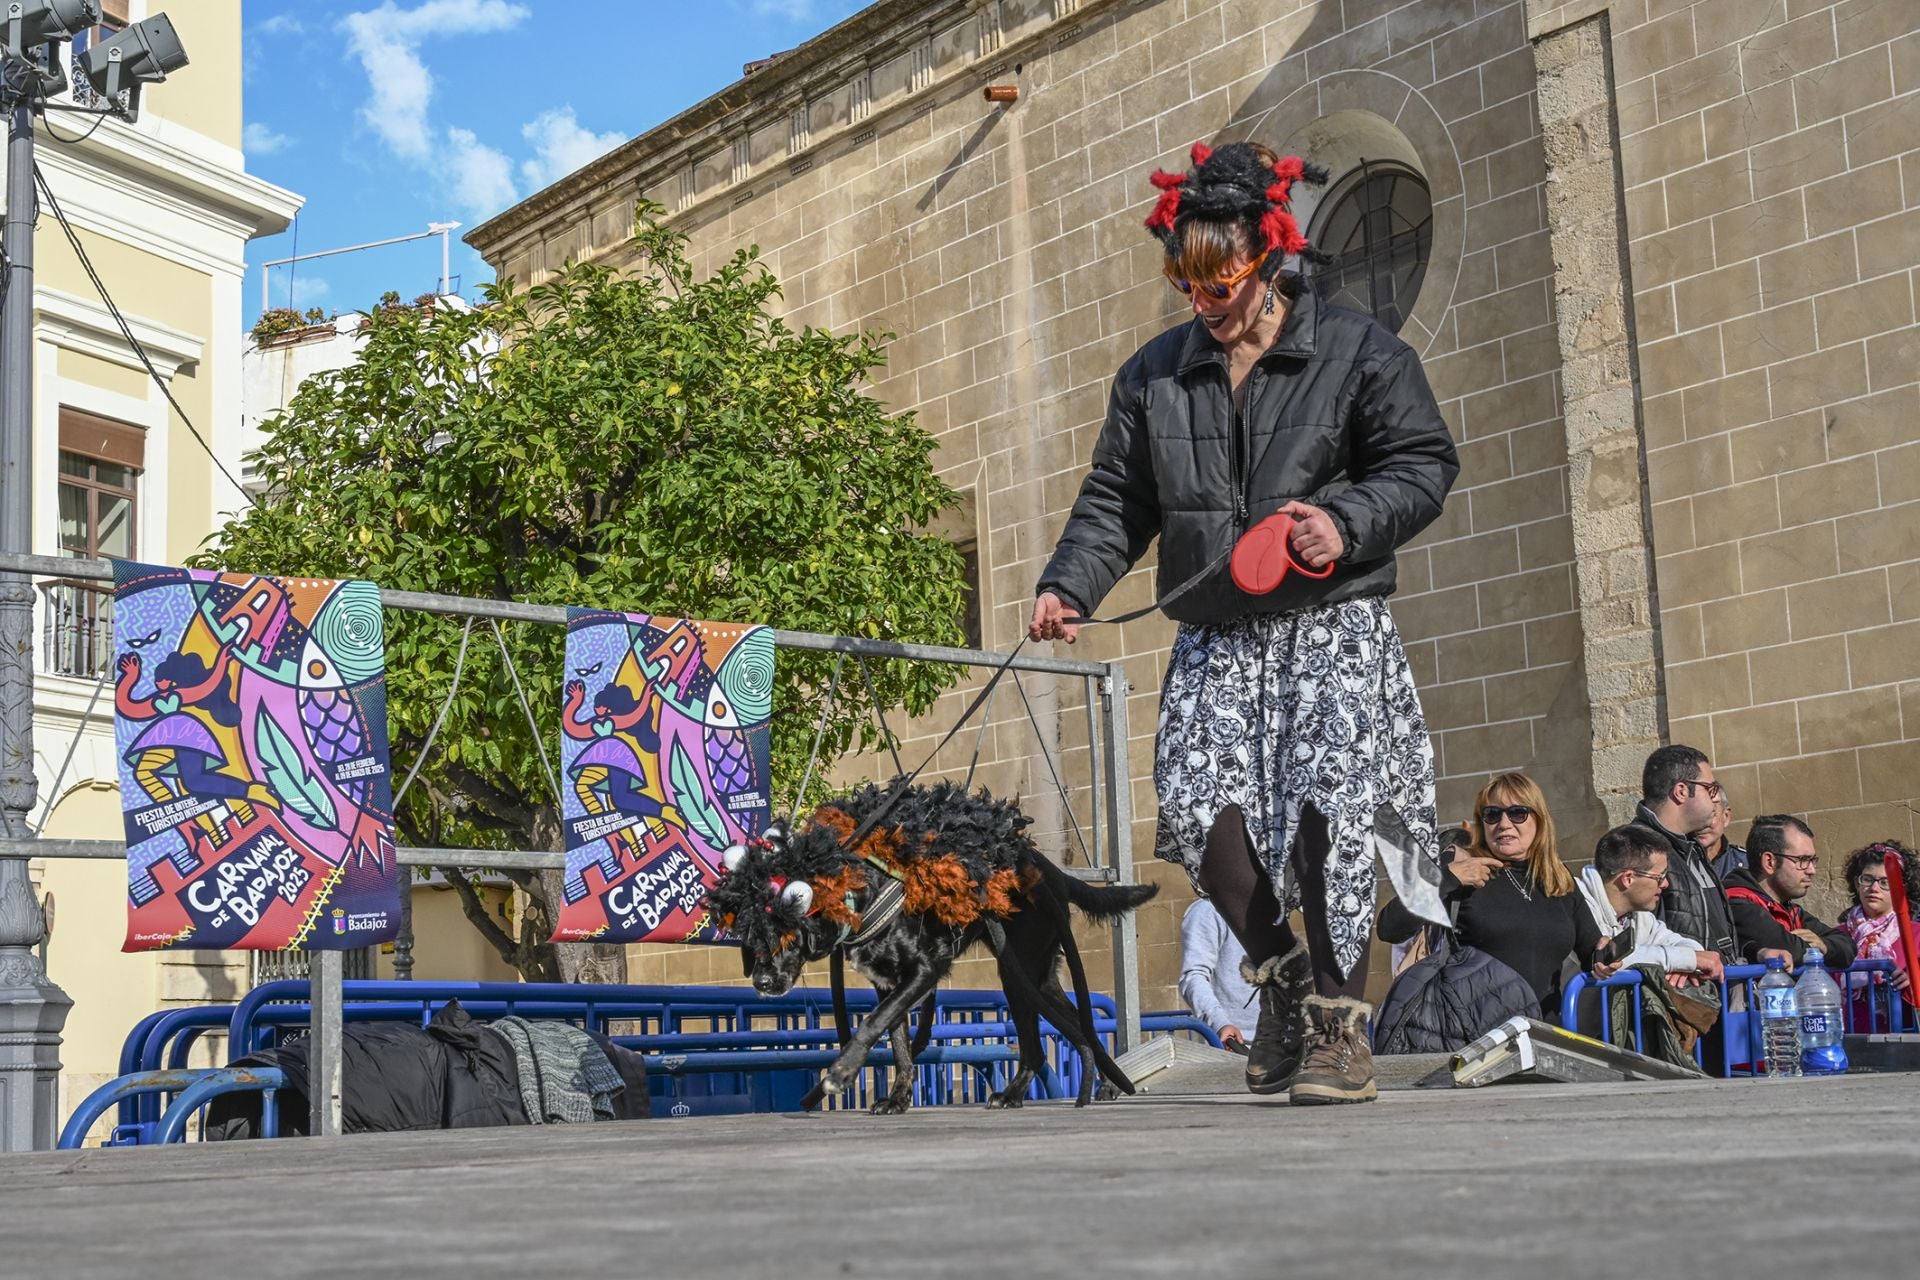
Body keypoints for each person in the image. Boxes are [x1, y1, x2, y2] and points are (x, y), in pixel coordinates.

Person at [1029, 140, 1460, 1105]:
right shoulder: (1153, 376)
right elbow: (1115, 499)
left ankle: (1343, 1033)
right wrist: (1071, 585)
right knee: (1192, 800)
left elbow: (1423, 464)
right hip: (1216, 624)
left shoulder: (1359, 352)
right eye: (1185, 275)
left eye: (1219, 275)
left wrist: (1342, 521)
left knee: (1333, 814)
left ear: (1266, 258)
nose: (1202, 295)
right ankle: (1285, 979)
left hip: (1331, 619)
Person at [1427, 772, 1602, 1020]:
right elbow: (1391, 927)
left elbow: (1592, 953)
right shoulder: (1467, 873)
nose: (1504, 823)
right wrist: (1447, 879)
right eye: (1492, 814)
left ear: (1540, 821)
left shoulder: (1559, 881)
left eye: (1518, 813)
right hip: (1478, 1038)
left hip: (1545, 1036)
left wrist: (1607, 955)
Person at [1632, 745, 1740, 965]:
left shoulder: (1693, 848)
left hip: (1718, 989)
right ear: (1681, 791)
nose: (1716, 799)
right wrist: (1685, 961)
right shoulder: (1637, 849)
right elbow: (1635, 940)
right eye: (1710, 789)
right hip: (1680, 994)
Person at [1575, 824, 1723, 983]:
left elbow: (1682, 945)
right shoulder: (1576, 905)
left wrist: (1685, 963)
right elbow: (1613, 960)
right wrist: (1685, 960)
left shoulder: (1639, 916)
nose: (1666, 884)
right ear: (1628, 879)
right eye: (1660, 877)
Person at [1722, 814, 1854, 970]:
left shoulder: (1790, 909)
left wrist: (1823, 945)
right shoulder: (1737, 903)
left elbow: (1848, 946)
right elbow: (1790, 949)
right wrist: (1815, 948)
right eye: (1802, 860)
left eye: (1812, 860)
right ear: (1769, 862)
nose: (1811, 870)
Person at [1837, 841, 1917, 1029]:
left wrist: (1913, 981)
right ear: (1857, 883)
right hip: (1849, 1041)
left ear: (1900, 888)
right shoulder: (1837, 936)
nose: (1874, 888)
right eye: (1867, 879)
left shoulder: (1916, 934)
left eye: (1885, 882)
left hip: (1905, 1043)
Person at [1178, 897, 1259, 1053]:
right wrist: (1220, 1023)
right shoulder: (1208, 910)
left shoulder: (1276, 908)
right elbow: (1193, 976)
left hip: (1287, 1044)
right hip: (1238, 1045)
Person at [1698, 792, 1746, 882]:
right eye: (1695, 815)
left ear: (1726, 816)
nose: (1703, 824)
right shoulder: (1677, 865)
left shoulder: (1746, 863)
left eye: (1710, 815)